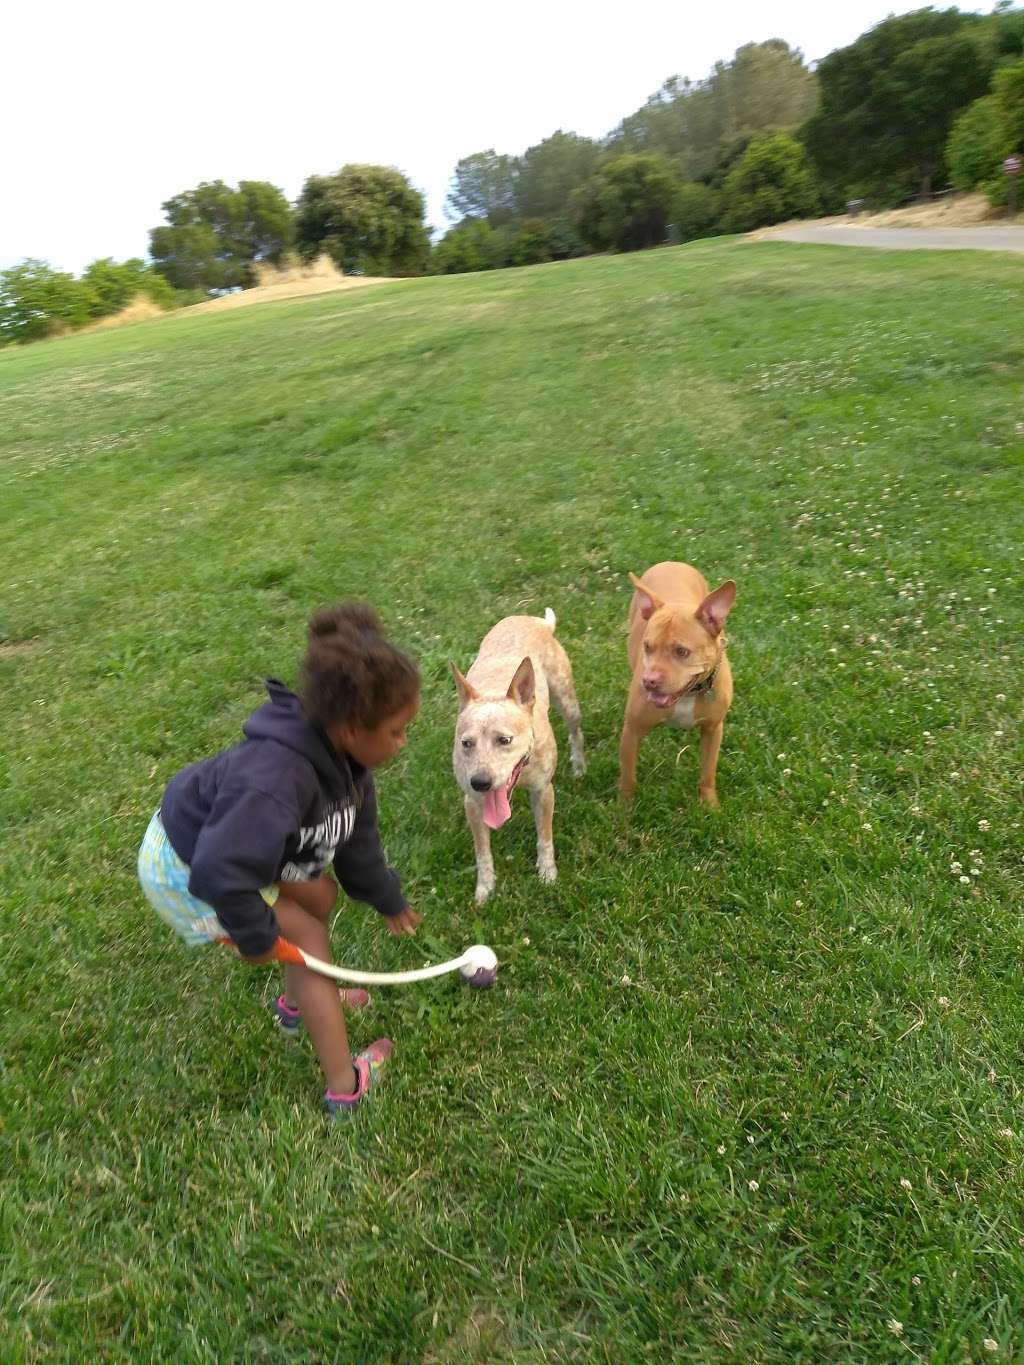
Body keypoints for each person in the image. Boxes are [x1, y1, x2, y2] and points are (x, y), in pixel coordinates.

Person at [137, 602, 421, 1116]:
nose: (403, 743)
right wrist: (256, 937)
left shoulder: (350, 767)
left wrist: (385, 895)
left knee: (321, 896)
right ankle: (345, 1084)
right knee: (305, 934)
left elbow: (357, 846)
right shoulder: (274, 779)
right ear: (352, 728)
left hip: (238, 850)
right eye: (397, 731)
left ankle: (303, 1004)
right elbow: (221, 869)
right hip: (187, 865)